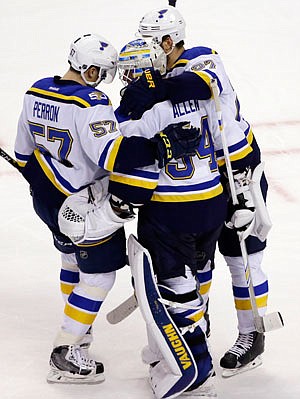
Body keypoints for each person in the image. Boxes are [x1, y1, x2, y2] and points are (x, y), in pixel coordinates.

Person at [14, 32, 201, 384]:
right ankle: (65, 351)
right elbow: (113, 156)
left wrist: (48, 185)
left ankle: (80, 336)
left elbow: (24, 156)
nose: (103, 81)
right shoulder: (91, 102)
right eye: (101, 72)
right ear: (89, 71)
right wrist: (161, 146)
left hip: (48, 200)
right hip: (86, 205)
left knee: (71, 262)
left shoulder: (34, 91)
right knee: (99, 277)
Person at [119, 5, 272, 376]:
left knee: (242, 259)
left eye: (152, 42)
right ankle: (195, 332)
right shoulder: (168, 74)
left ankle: (253, 335)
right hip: (211, 178)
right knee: (200, 261)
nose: (147, 48)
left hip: (241, 173)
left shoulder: (203, 58)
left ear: (169, 41)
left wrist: (150, 86)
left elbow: (200, 85)